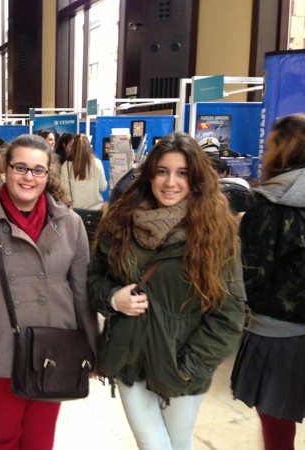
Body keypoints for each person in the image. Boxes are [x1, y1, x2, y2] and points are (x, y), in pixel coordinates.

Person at [88, 131, 246, 450]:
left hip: (180, 361)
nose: (170, 182)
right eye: (162, 171)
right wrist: (113, 298)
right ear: (149, 175)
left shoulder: (215, 231)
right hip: (129, 355)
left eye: (182, 173)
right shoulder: (120, 221)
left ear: (196, 179)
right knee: (151, 443)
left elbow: (229, 314)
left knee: (177, 442)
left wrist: (191, 366)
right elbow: (94, 278)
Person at [0, 134, 98, 450]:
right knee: (5, 437)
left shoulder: (69, 223)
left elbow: (82, 293)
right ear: (5, 169)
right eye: (20, 168)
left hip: (54, 347)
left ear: (48, 174)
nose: (29, 177)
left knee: (40, 440)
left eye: (38, 170)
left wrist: (92, 352)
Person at [231, 114, 305, 450]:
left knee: (278, 431)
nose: (263, 154)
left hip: (277, 335)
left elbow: (248, 277)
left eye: (270, 146)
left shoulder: (270, 206)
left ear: (284, 150)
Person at [60, 133, 107, 211]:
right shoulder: (97, 163)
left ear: (73, 147)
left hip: (74, 212)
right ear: (89, 146)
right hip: (95, 211)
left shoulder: (66, 165)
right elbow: (103, 187)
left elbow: (64, 191)